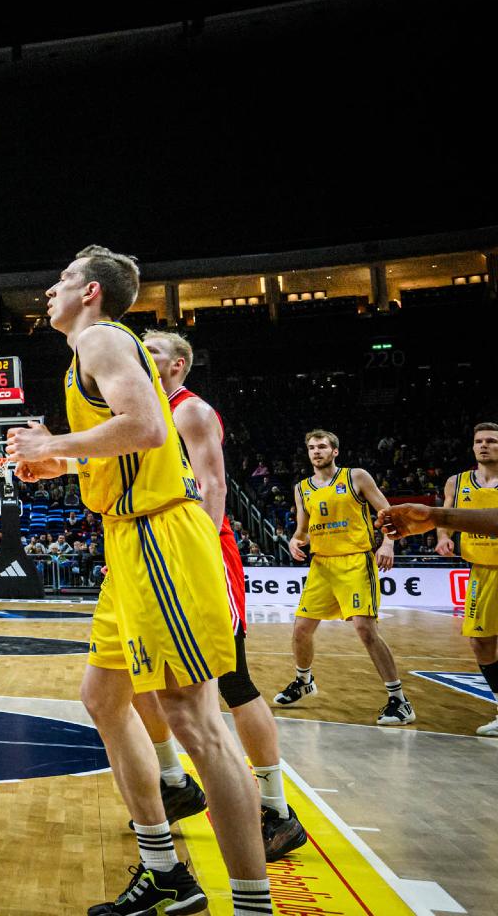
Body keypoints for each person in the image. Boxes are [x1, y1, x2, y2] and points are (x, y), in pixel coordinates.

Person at [7, 246, 269, 916]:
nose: (49, 291)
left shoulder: (99, 337)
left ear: (90, 291)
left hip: (161, 536)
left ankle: (252, 904)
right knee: (102, 698)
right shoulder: (87, 353)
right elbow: (124, 446)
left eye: (61, 279)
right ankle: (165, 874)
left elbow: (148, 429)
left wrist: (53, 446)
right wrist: (62, 465)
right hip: (128, 538)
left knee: (194, 720)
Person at [136, 331, 306, 860]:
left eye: (155, 350)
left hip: (200, 550)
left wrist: (200, 555)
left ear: (179, 363)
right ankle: (174, 780)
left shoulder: (190, 410)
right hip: (152, 552)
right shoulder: (140, 410)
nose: (144, 354)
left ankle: (277, 809)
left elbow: (214, 487)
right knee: (137, 675)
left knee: (232, 679)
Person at [274, 429, 412, 726]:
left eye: (322, 446)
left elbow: (388, 513)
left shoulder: (356, 477)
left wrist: (387, 543)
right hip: (322, 565)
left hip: (355, 561)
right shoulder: (301, 488)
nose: (316, 451)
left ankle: (400, 701)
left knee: (365, 630)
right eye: (311, 447)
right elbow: (303, 530)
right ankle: (303, 681)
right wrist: (295, 541)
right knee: (301, 630)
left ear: (335, 451)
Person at [388, 422, 498, 737]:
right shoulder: (457, 482)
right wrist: (443, 537)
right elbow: (444, 514)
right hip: (480, 568)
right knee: (480, 643)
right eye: (479, 441)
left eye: (491, 441)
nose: (484, 446)